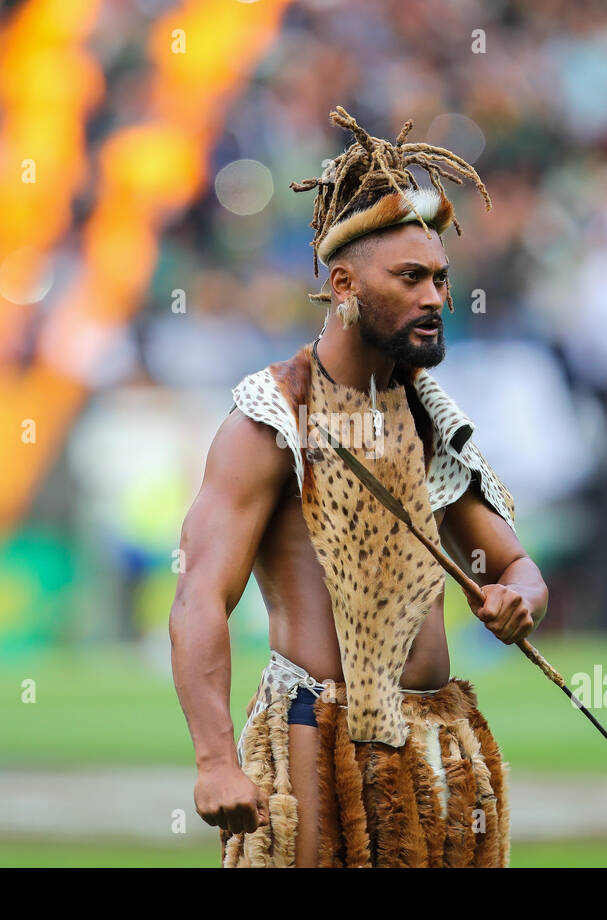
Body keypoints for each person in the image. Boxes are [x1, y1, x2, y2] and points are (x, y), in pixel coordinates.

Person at [169, 106, 549, 867]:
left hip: (438, 750)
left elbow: (515, 567)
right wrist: (215, 759)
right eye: (410, 278)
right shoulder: (270, 419)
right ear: (343, 285)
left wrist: (519, 602)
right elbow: (200, 597)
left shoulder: (432, 420)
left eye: (440, 278)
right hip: (318, 744)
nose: (436, 297)